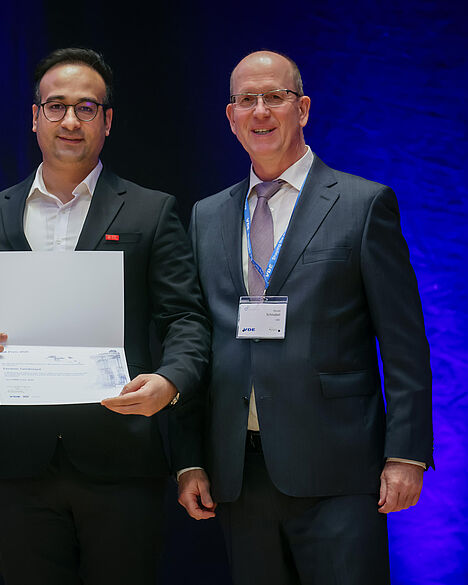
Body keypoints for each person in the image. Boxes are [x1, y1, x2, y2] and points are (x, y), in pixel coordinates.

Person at [0, 48, 210, 585]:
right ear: (35, 118)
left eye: (86, 107)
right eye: (56, 106)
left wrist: (171, 382)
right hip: (17, 466)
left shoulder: (151, 211)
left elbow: (185, 320)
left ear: (108, 121)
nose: (70, 120)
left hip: (122, 460)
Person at [177, 50, 433, 585]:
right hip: (239, 473)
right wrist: (188, 458)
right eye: (247, 100)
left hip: (338, 469)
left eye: (276, 97)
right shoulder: (207, 215)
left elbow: (404, 341)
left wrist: (407, 453)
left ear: (304, 109)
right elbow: (195, 337)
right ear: (230, 117)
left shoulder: (362, 204)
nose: (261, 111)